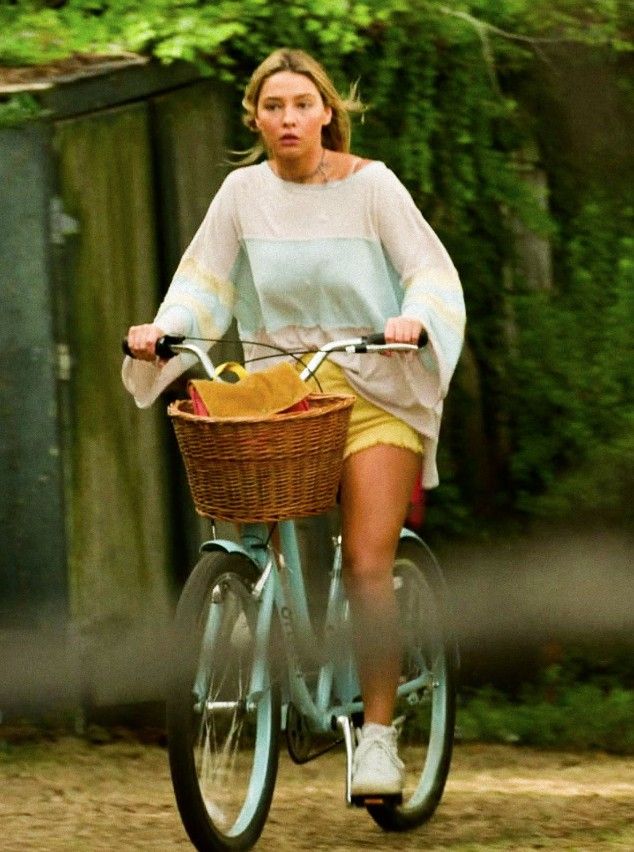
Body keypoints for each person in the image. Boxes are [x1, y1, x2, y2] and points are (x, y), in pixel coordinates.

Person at [123, 48, 465, 798]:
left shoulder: (372, 188)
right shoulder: (242, 194)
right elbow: (204, 282)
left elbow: (430, 272)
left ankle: (377, 738)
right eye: (272, 106)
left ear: (325, 112)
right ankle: (252, 604)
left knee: (370, 562)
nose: (287, 118)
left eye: (300, 105)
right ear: (255, 116)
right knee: (251, 509)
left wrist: (413, 320)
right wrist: (166, 328)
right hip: (286, 388)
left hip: (375, 380)